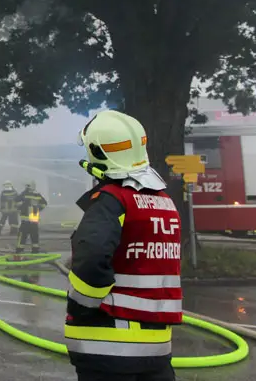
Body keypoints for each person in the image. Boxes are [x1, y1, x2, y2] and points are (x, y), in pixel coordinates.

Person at [66, 110, 181, 381]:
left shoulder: (111, 200)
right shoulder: (164, 202)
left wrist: (82, 305)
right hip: (157, 349)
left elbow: (92, 259)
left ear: (97, 152)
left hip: (108, 346)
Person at [15, 180, 47, 254]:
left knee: (22, 236)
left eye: (27, 186)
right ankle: (35, 251)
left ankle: (19, 251)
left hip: (25, 221)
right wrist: (38, 209)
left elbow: (16, 200)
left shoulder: (24, 194)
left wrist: (20, 207)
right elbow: (44, 203)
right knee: (34, 236)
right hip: (34, 221)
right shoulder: (37, 195)